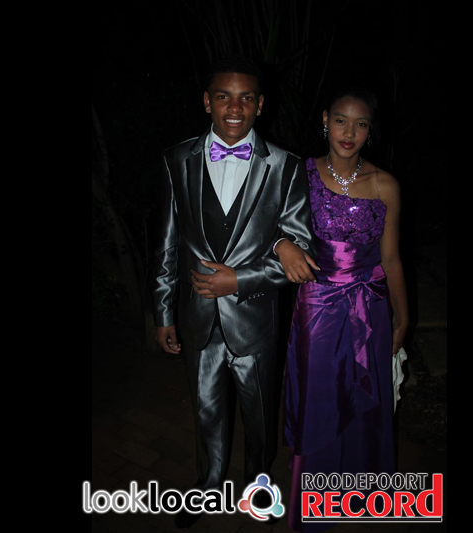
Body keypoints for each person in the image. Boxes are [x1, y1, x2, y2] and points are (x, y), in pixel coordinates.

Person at [151, 56, 317, 530]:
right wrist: (163, 313)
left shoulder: (285, 166)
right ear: (207, 102)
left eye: (246, 98)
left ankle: (256, 487)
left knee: (259, 416)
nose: (235, 107)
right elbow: (166, 244)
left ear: (260, 105)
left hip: (255, 319)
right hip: (197, 314)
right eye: (224, 96)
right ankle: (208, 485)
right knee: (206, 411)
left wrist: (240, 279)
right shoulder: (176, 159)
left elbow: (301, 253)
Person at [275, 87, 409, 531]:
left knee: (365, 401)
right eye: (340, 121)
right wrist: (282, 244)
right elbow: (268, 225)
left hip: (371, 308)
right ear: (324, 121)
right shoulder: (299, 174)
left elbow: (391, 259)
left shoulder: (386, 184)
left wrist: (403, 317)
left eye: (361, 124)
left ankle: (359, 492)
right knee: (319, 399)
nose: (349, 132)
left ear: (370, 130)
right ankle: (313, 502)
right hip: (317, 304)